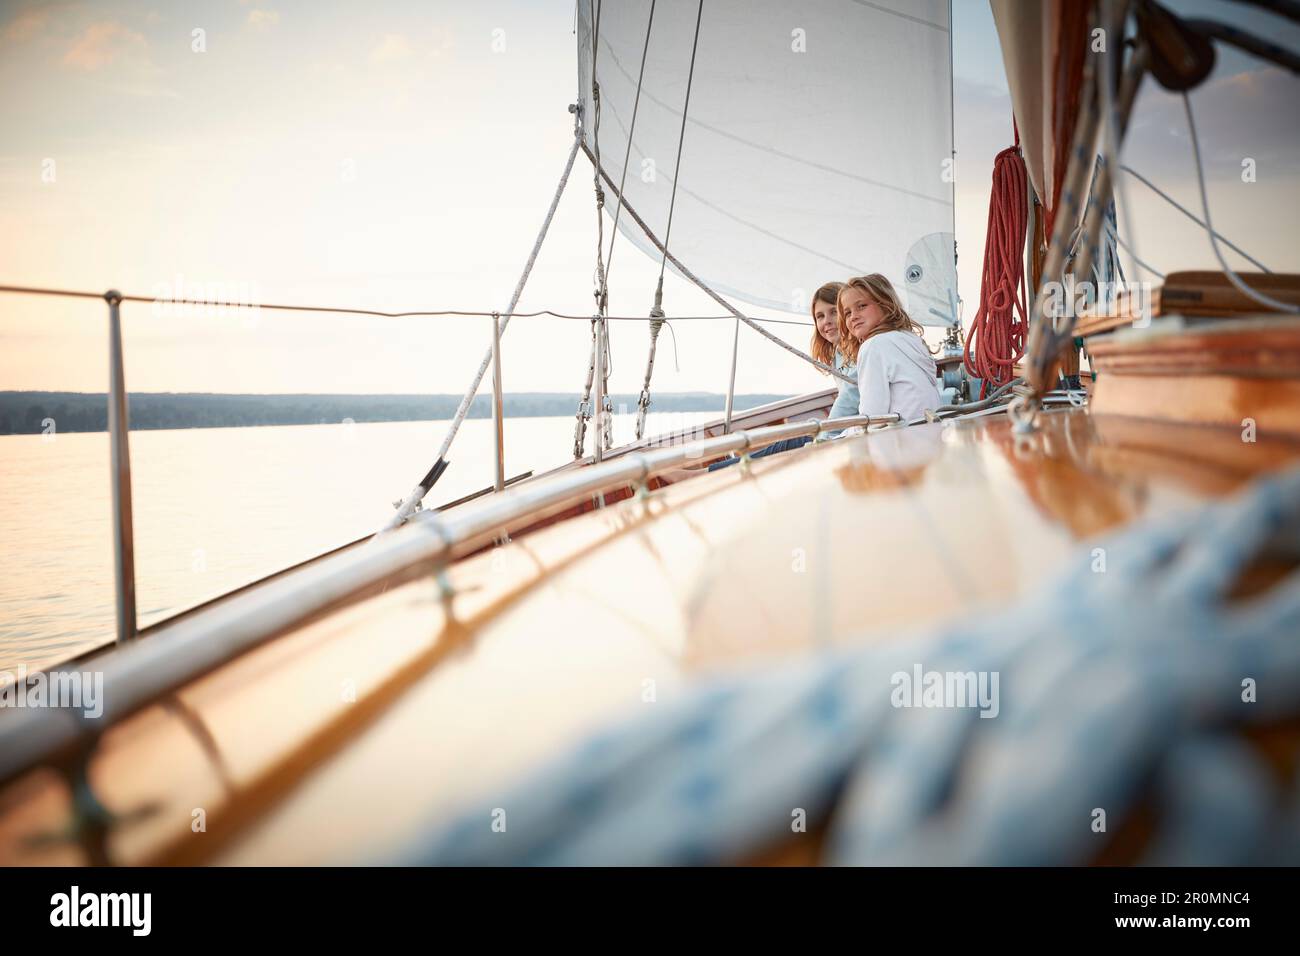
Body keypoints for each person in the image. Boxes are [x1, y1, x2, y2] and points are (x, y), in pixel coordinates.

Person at [837, 274, 941, 423]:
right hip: (930, 432)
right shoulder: (911, 339)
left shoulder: (873, 346)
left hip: (905, 439)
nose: (853, 316)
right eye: (847, 313)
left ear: (885, 304)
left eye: (861, 306)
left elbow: (872, 417)